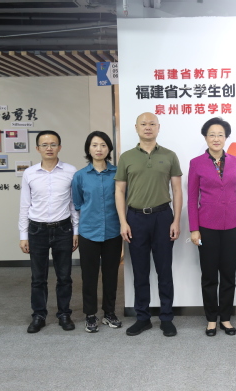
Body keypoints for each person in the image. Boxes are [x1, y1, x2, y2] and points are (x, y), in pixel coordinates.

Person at [115, 112, 183, 337]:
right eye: (143, 124)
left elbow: (177, 190)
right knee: (140, 271)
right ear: (136, 127)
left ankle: (166, 318)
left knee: (164, 270)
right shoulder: (126, 157)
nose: (147, 127)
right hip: (135, 218)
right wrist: (123, 221)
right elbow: (120, 191)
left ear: (158, 127)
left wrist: (176, 220)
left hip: (163, 217)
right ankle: (142, 317)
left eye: (152, 123)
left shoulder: (169, 155)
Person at [188, 117, 236, 336]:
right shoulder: (196, 163)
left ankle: (225, 318)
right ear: (205, 137)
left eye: (220, 135)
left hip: (233, 226)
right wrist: (194, 229)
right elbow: (192, 198)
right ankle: (211, 319)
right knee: (209, 276)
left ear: (226, 138)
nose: (216, 139)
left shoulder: (235, 161)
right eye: (212, 135)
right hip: (206, 226)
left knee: (228, 274)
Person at [19, 130, 79, 333]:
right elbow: (24, 205)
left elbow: (73, 205)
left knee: (64, 276)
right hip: (37, 230)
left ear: (59, 147)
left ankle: (64, 314)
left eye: (53, 144)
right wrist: (23, 235)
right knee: (38, 278)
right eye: (44, 145)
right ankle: (39, 315)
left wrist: (76, 231)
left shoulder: (71, 171)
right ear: (38, 148)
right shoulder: (29, 173)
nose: (49, 148)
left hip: (63, 229)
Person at [72, 131, 123, 333]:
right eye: (94, 145)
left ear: (109, 148)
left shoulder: (118, 173)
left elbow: (123, 199)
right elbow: (77, 203)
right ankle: (90, 314)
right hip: (88, 232)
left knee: (111, 275)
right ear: (88, 149)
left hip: (113, 231)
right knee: (89, 276)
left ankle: (109, 312)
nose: (99, 149)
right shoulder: (80, 176)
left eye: (103, 145)